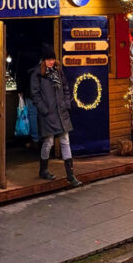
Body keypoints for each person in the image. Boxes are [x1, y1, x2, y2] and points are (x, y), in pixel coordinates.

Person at [30, 45, 81, 187]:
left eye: (52, 59)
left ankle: (71, 176)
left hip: (61, 112)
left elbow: (65, 88)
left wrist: (66, 104)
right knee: (49, 143)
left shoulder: (58, 71)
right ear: (43, 60)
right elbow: (35, 94)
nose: (51, 62)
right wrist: (44, 109)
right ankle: (43, 169)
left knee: (65, 141)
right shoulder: (37, 74)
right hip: (48, 113)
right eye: (48, 59)